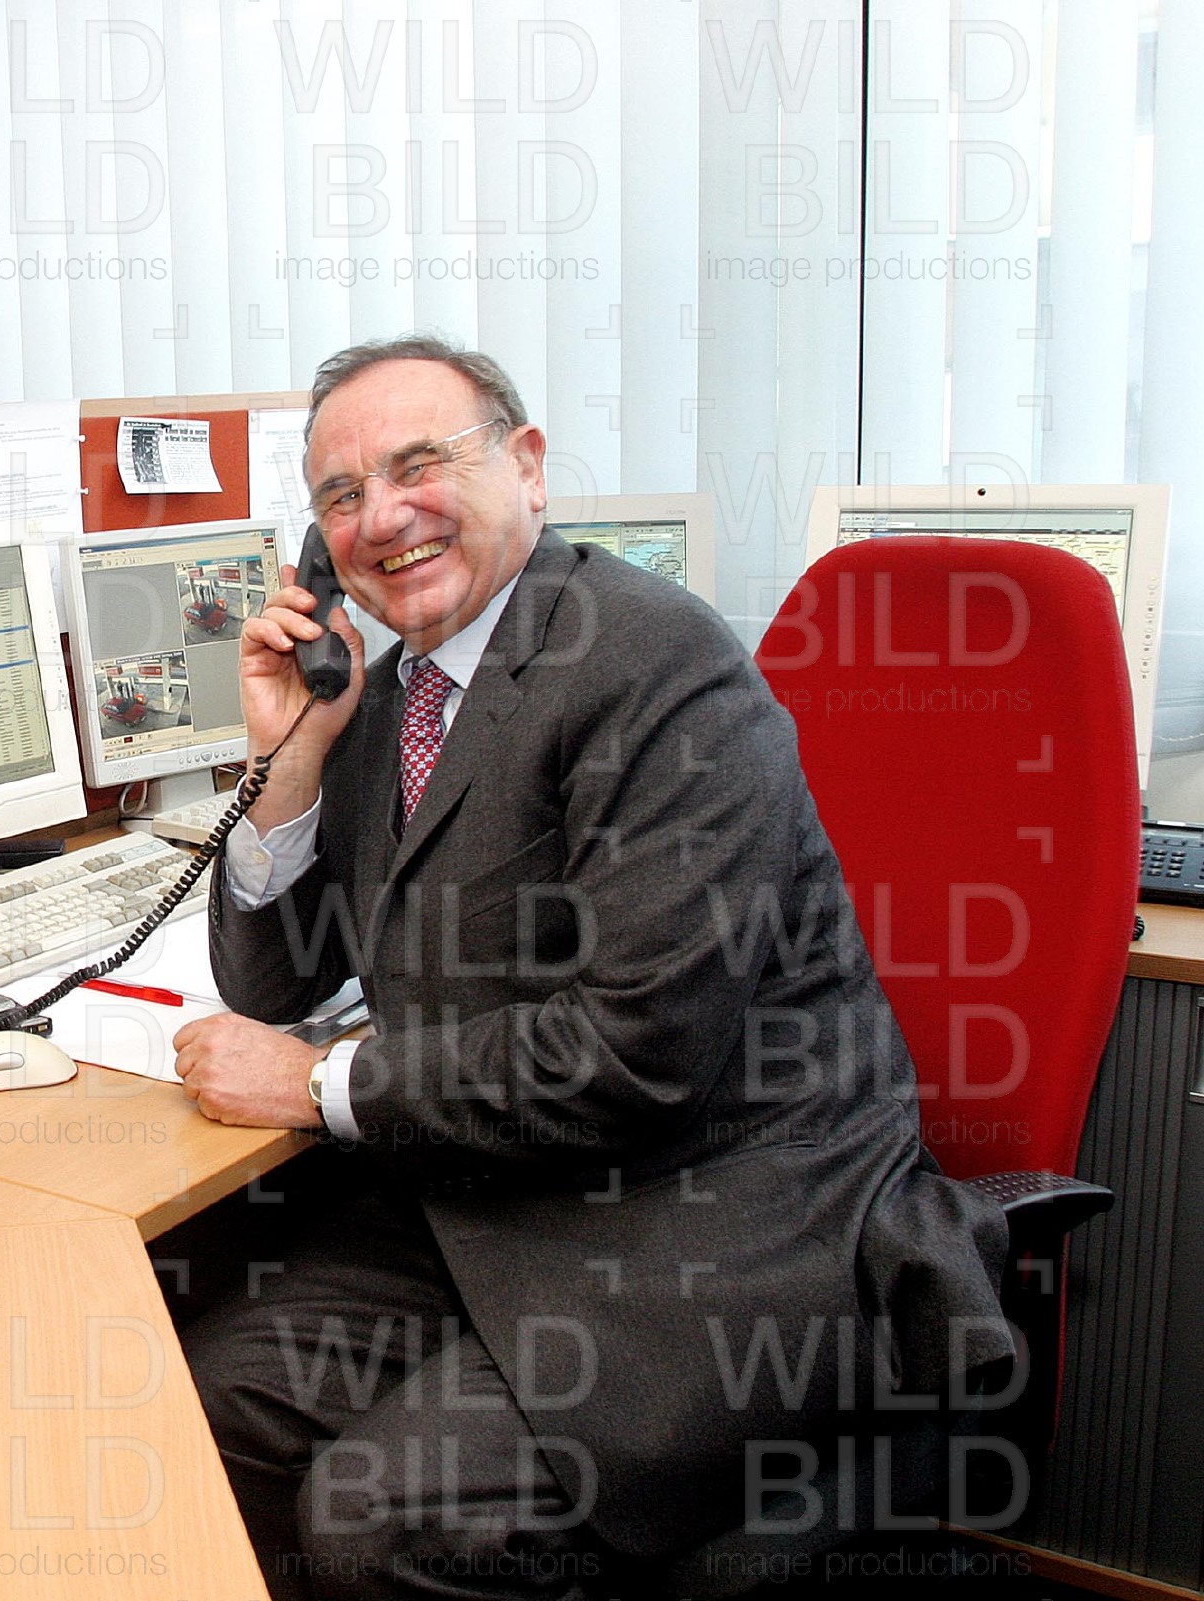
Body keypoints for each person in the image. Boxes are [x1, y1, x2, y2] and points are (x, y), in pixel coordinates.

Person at [171, 335, 1010, 1598]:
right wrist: (287, 759)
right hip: (499, 1194)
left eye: (418, 465)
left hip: (712, 1221)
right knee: (204, 1399)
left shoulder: (656, 662)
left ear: (527, 465)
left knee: (376, 1516)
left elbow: (636, 1056)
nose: (381, 516)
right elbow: (275, 984)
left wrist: (316, 1084)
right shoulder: (387, 694)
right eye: (340, 494)